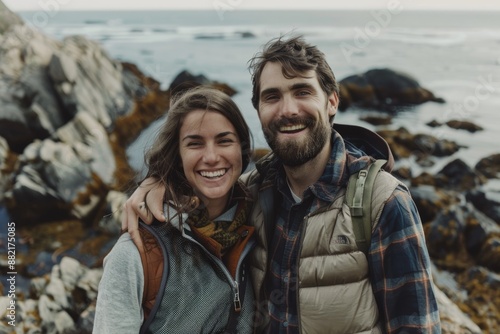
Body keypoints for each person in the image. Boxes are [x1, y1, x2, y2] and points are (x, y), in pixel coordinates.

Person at [122, 35, 441, 333]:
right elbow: (202, 186)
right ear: (258, 111)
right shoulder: (252, 192)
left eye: (302, 91)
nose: (288, 110)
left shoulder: (383, 204)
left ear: (331, 102)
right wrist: (157, 182)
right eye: (272, 96)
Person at [94, 86, 256, 333]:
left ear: (242, 150)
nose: (211, 157)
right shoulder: (135, 254)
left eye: (224, 141)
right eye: (195, 144)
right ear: (177, 155)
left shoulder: (262, 213)